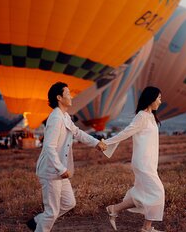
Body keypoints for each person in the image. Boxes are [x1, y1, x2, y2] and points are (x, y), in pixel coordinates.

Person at [26, 82, 107, 232]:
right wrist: (60, 168)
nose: (71, 97)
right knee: (52, 212)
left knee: (69, 203)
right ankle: (40, 225)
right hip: (52, 171)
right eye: (68, 94)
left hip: (60, 171)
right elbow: (49, 146)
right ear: (59, 97)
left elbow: (77, 133)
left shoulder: (65, 116)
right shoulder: (56, 118)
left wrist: (96, 143)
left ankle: (38, 221)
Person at [103, 86, 164, 232]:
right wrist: (106, 143)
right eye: (159, 98)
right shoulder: (142, 116)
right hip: (142, 162)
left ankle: (114, 209)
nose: (161, 102)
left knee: (144, 194)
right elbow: (126, 133)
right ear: (151, 98)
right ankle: (146, 228)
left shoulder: (150, 116)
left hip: (150, 162)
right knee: (158, 192)